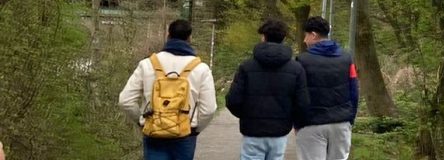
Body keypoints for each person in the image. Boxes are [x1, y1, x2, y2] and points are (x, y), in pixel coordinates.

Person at [118, 18, 217, 160]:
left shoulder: (147, 64)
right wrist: (195, 129)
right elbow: (209, 109)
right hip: (184, 134)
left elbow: (125, 101)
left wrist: (142, 121)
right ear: (189, 38)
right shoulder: (201, 69)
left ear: (168, 35)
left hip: (154, 132)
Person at [227, 18, 310, 160]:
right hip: (280, 131)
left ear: (263, 37)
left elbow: (233, 100)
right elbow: (302, 103)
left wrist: (247, 116)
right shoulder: (296, 69)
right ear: (283, 38)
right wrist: (290, 119)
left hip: (253, 131)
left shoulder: (246, 67)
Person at [294, 16, 359, 160]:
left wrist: (297, 123)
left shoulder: (302, 61)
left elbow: (297, 95)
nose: (304, 40)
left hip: (311, 125)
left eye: (306, 35)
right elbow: (354, 91)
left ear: (313, 35)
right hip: (341, 123)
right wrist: (350, 119)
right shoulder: (347, 58)